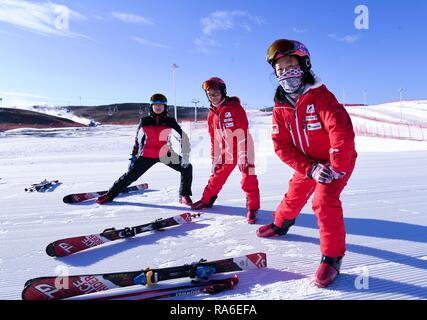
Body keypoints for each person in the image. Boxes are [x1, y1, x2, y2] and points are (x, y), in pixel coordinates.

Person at [256, 39, 357, 288]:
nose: (285, 73)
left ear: (305, 65)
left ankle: (332, 257)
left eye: (291, 66)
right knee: (294, 194)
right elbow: (281, 145)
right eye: (280, 70)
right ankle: (281, 224)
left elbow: (340, 131)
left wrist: (335, 167)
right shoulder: (280, 107)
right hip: (309, 165)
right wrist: (309, 168)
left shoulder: (321, 96)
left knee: (323, 201)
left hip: (335, 163)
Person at [96, 93, 193, 205]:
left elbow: (182, 138)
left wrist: (185, 155)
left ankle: (184, 195)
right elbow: (138, 140)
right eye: (155, 105)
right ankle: (110, 195)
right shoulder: (145, 121)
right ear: (151, 106)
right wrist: (133, 157)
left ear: (165, 107)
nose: (158, 107)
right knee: (130, 176)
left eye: (161, 105)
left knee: (187, 168)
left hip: (165, 154)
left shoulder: (170, 121)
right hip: (147, 155)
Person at [191, 77, 260, 224]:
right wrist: (214, 158)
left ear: (223, 92)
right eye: (210, 94)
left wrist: (243, 156)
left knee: (249, 179)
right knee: (216, 177)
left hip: (244, 149)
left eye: (216, 93)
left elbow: (243, 132)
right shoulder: (211, 114)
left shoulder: (235, 108)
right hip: (225, 152)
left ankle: (252, 208)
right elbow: (213, 138)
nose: (213, 97)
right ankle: (206, 200)